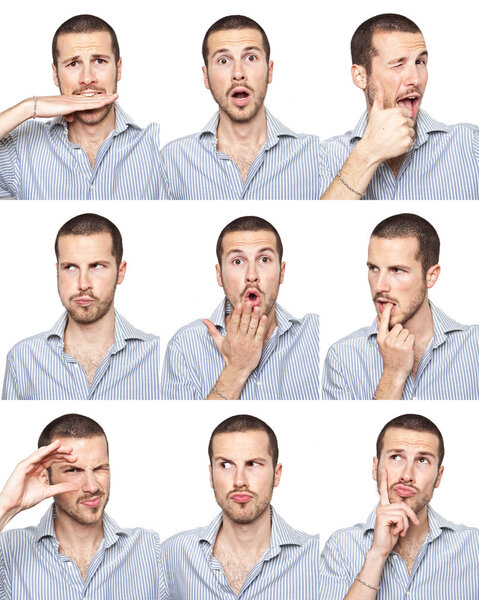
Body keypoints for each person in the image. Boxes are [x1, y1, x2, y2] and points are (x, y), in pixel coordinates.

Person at [0, 413, 167, 599]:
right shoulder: (8, 550)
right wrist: (6, 507)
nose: (92, 486)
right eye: (73, 470)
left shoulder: (151, 549)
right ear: (46, 477)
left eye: (99, 468)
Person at [159, 15, 323, 199]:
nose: (238, 74)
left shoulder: (315, 155)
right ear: (206, 77)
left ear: (270, 71)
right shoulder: (172, 160)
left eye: (250, 57)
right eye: (223, 60)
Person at [0, 14, 161, 199]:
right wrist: (28, 107)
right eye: (73, 64)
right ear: (55, 74)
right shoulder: (21, 150)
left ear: (119, 68)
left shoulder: (155, 147)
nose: (87, 78)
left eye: (99, 61)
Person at [2, 213, 161, 399]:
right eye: (70, 267)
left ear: (120, 272)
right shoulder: (23, 359)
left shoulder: (157, 356)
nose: (83, 283)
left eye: (97, 266)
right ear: (57, 272)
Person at [318, 413, 479, 598]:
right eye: (396, 457)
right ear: (375, 468)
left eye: (422, 460)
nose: (407, 475)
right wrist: (377, 555)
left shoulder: (474, 547)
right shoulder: (340, 547)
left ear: (439, 476)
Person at [320, 13, 479, 199]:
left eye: (420, 62)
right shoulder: (324, 157)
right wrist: (368, 152)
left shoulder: (471, 145)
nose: (415, 79)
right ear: (360, 76)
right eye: (398, 65)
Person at [161, 414, 321, 599]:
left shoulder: (316, 556)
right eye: (226, 465)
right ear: (211, 475)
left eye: (253, 464)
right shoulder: (172, 555)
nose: (239, 481)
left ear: (277, 474)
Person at [322, 213, 479, 399]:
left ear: (431, 276)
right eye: (374, 268)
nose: (380, 286)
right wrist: (392, 375)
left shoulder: (474, 346)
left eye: (397, 270)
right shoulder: (342, 357)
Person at [161, 216, 319, 399]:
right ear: (219, 276)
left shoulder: (316, 334)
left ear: (282, 272)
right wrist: (236, 369)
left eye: (264, 259)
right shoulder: (184, 347)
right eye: (237, 261)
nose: (251, 275)